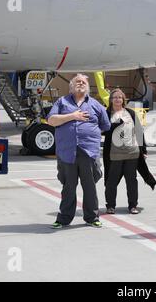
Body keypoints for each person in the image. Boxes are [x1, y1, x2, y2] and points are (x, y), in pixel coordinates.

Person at [47, 74, 110, 229]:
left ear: (87, 86)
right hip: (67, 152)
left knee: (90, 187)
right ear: (71, 86)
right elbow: (51, 120)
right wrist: (73, 116)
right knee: (68, 187)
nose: (80, 84)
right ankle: (63, 219)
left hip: (88, 152)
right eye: (77, 82)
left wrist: (90, 135)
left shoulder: (96, 105)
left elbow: (105, 125)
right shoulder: (62, 102)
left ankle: (92, 217)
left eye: (83, 82)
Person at [103, 89, 154, 214]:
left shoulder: (130, 113)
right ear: (111, 100)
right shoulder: (106, 113)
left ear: (123, 100)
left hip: (132, 153)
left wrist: (144, 150)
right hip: (113, 155)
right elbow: (101, 129)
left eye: (120, 97)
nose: (117, 99)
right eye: (115, 97)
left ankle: (132, 205)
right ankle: (110, 206)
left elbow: (139, 131)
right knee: (111, 181)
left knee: (131, 180)